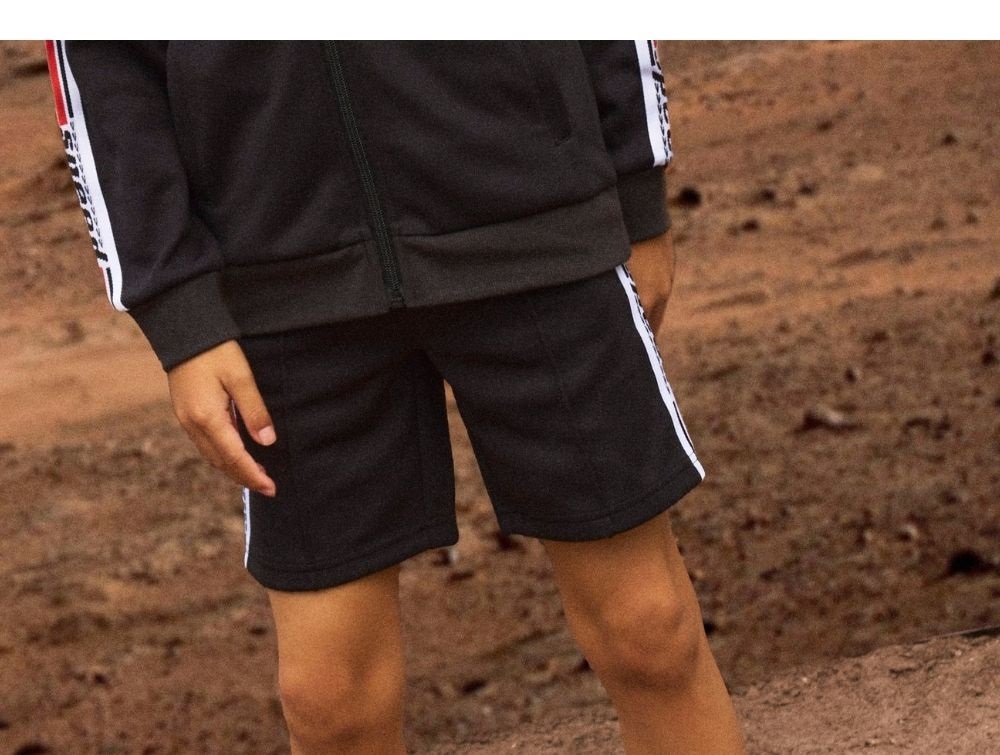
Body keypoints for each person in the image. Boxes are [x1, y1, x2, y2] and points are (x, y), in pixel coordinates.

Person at [45, 40, 746, 754]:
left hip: (536, 224)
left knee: (648, 631)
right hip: (280, 279)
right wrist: (177, 311)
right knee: (330, 703)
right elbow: (95, 57)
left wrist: (637, 182)